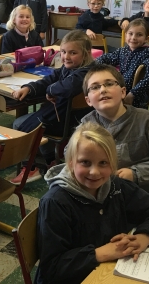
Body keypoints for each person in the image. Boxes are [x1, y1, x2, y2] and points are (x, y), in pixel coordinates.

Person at [36, 121, 149, 284]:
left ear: (113, 164)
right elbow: (52, 268)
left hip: (109, 270)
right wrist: (101, 253)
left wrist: (143, 237)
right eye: (85, 162)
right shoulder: (55, 203)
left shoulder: (116, 186)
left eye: (103, 163)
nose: (95, 172)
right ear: (71, 163)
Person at [81, 64, 149, 197]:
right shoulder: (86, 125)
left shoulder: (147, 120)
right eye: (95, 87)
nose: (103, 90)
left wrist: (135, 173)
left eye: (109, 84)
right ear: (88, 100)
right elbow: (72, 157)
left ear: (123, 92)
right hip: (108, 194)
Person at [10, 31, 94, 184]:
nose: (66, 57)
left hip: (69, 122)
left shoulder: (86, 72)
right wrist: (29, 88)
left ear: (87, 53)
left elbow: (66, 87)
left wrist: (50, 90)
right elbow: (50, 79)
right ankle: (50, 160)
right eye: (63, 52)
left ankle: (30, 167)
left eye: (73, 53)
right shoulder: (70, 67)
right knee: (24, 122)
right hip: (59, 117)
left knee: (20, 126)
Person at [95, 19, 149, 109]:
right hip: (121, 89)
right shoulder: (124, 50)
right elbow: (108, 58)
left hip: (136, 96)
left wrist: (132, 94)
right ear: (125, 36)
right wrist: (95, 63)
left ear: (146, 38)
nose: (133, 37)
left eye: (139, 35)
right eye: (130, 34)